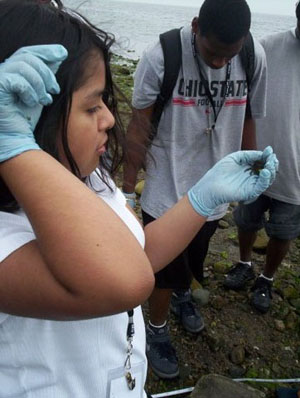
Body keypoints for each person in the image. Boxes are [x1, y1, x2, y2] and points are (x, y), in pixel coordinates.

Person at [0, 1, 278, 396]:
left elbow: (138, 255)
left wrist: (201, 197)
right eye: (92, 105)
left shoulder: (91, 181)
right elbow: (126, 281)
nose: (111, 119)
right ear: (32, 114)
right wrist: (13, 148)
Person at [122, 0, 267, 379]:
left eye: (228, 56)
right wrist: (126, 191)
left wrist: (253, 170)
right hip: (166, 189)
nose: (220, 63)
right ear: (196, 26)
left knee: (193, 260)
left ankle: (183, 297)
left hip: (215, 193)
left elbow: (250, 114)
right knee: (164, 270)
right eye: (212, 53)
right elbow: (139, 124)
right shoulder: (162, 55)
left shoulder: (253, 56)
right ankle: (156, 329)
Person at [223, 2, 300, 314]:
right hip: (259, 160)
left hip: (296, 175)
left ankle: (267, 278)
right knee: (246, 219)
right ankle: (244, 263)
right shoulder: (269, 48)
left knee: (283, 232)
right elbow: (243, 95)